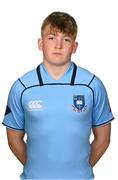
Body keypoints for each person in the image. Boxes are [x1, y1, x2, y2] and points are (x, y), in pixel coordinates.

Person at [2, 11, 114, 180]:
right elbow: (13, 139)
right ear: (40, 43)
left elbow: (103, 139)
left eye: (66, 39)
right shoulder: (22, 87)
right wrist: (37, 168)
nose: (58, 45)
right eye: (52, 38)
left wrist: (80, 169)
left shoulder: (92, 85)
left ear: (75, 47)